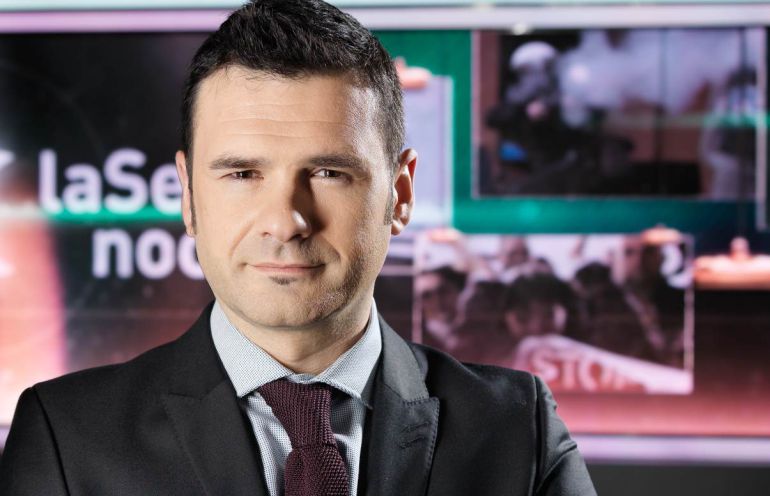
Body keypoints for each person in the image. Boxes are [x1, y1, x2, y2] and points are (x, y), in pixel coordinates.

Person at [0, 1, 596, 495]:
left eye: (329, 173)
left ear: (401, 193)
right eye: (242, 174)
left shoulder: (518, 430)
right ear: (187, 196)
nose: (286, 222)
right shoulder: (67, 438)